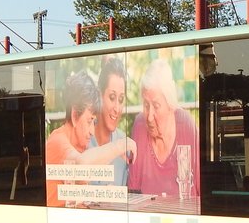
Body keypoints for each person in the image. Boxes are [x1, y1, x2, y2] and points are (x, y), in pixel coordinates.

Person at [45, 71, 136, 207]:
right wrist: (120, 146)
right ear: (75, 116)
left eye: (94, 122)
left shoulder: (78, 149)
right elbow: (81, 164)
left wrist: (100, 193)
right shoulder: (57, 141)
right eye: (89, 121)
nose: (92, 131)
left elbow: (77, 197)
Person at [129, 59, 200, 198]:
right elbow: (133, 192)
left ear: (170, 104)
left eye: (156, 106)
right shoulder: (139, 125)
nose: (149, 117)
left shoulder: (185, 125)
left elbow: (202, 190)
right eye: (146, 105)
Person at [89, 57, 130, 187]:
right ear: (99, 95)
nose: (117, 108)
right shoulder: (83, 139)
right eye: (112, 97)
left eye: (121, 99)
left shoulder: (125, 145)